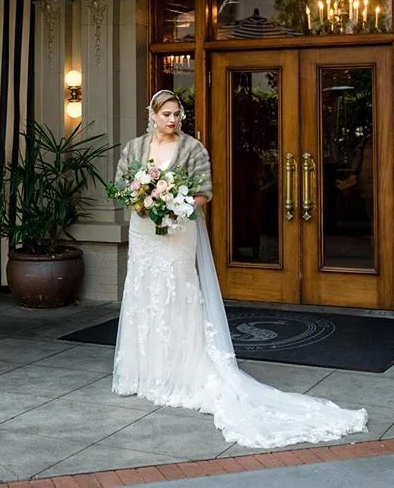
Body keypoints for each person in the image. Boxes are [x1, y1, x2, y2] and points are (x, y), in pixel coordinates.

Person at [112, 89, 367, 449]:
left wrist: (174, 207)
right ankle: (146, 373)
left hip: (178, 231)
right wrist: (141, 201)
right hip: (144, 234)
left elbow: (204, 193)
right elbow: (123, 186)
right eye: (166, 114)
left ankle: (182, 372)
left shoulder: (193, 149)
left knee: (178, 296)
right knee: (143, 295)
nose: (173, 120)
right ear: (152, 115)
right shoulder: (134, 149)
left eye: (177, 114)